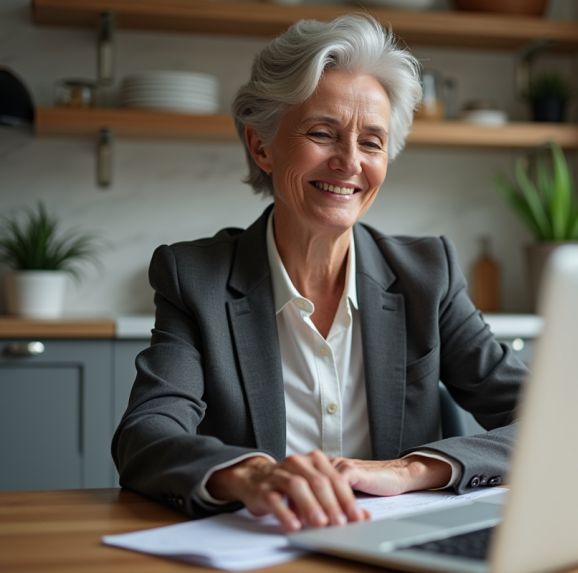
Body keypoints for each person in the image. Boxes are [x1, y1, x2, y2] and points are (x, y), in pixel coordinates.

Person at [112, 14, 526, 532]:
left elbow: (549, 419)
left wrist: (409, 470)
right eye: (323, 133)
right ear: (261, 146)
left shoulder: (427, 275)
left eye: (371, 142)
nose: (349, 162)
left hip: (395, 545)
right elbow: (147, 434)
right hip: (262, 545)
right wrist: (252, 474)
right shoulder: (195, 278)